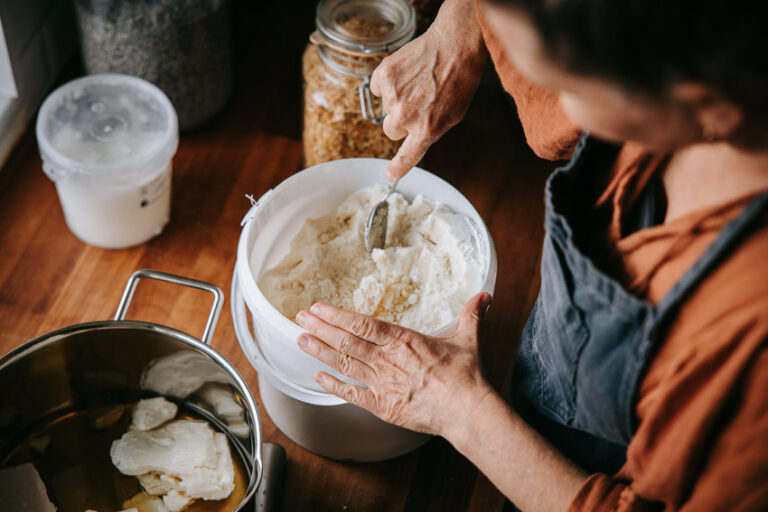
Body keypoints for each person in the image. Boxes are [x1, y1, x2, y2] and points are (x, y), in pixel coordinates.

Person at [293, 0, 768, 510]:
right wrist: (460, 26)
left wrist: (455, 406)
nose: (543, 92)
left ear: (702, 104)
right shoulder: (683, 66)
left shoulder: (749, 338)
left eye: (568, 86)